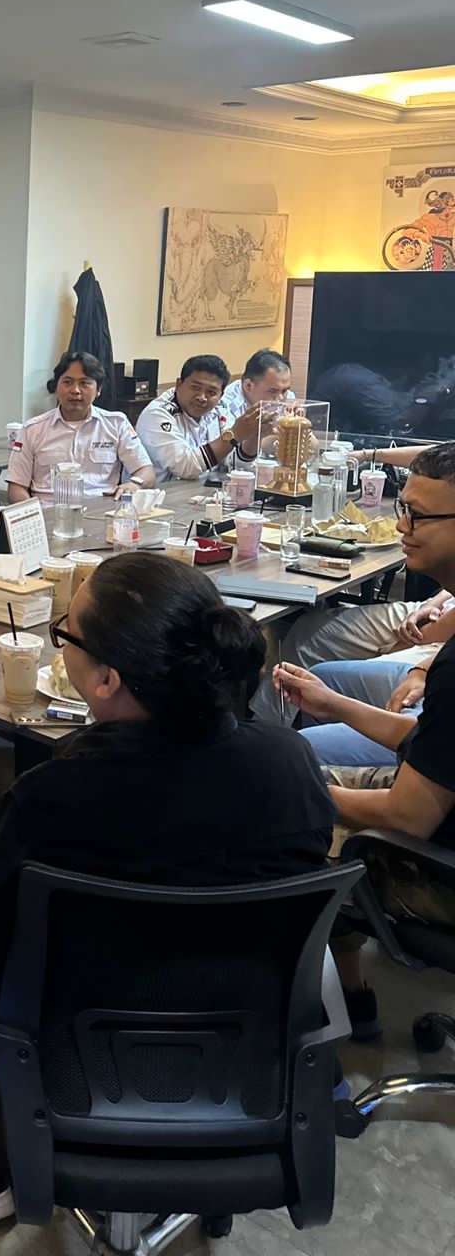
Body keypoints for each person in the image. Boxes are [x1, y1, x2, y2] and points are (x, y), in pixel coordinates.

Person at [0, 554, 333, 1221]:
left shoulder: (54, 795)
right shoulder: (291, 762)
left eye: (64, 635)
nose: (60, 647)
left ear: (105, 679)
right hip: (242, 1054)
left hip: (78, 1053)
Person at [274, 442, 455, 1038]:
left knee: (284, 816)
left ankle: (305, 1028)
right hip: (438, 810)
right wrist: (333, 705)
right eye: (403, 510)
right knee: (302, 768)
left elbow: (407, 815)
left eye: (418, 516)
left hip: (438, 865)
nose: (402, 528)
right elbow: (437, 744)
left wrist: (292, 794)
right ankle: (352, 998)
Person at [250, 588, 455, 731]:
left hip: (441, 640)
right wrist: (431, 604)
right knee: (313, 632)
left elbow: (428, 636)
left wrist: (405, 645)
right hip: (438, 609)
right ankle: (265, 727)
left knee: (336, 678)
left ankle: (279, 742)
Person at [5, 350, 155, 502]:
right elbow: (16, 487)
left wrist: (134, 484)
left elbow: (146, 471)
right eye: (67, 382)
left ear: (98, 390)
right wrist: (33, 514)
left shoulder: (116, 424)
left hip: (102, 510)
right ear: (56, 387)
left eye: (84, 383)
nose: (75, 390)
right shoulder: (32, 429)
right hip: (49, 511)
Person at [136, 354, 260, 482]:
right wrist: (235, 435)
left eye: (211, 392)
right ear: (179, 384)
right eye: (195, 388)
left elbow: (232, 463)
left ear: (221, 395)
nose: (202, 397)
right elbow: (186, 467)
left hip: (204, 490)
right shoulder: (157, 413)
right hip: (163, 492)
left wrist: (256, 436)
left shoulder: (220, 409)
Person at [218, 347, 294, 425]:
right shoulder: (224, 406)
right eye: (273, 391)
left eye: (284, 391)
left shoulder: (289, 397)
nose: (281, 398)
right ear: (248, 386)